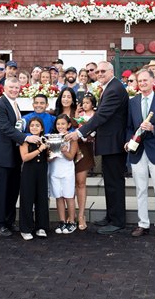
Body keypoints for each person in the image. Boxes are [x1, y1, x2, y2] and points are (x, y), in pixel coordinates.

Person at [65, 61, 129, 235]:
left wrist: (80, 133)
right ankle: (111, 216)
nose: (99, 73)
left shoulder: (114, 89)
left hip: (114, 144)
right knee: (109, 182)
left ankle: (117, 221)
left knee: (114, 183)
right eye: (97, 71)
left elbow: (101, 115)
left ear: (111, 71)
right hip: (109, 142)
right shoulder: (110, 87)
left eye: (102, 71)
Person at [125, 70, 155, 240]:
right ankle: (143, 224)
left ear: (153, 80)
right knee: (140, 189)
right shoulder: (132, 102)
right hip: (137, 152)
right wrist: (128, 141)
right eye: (140, 81)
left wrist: (154, 129)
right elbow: (129, 127)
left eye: (145, 80)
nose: (143, 83)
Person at [0, 77, 42, 237]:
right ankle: (0, 224)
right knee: (2, 191)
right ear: (4, 88)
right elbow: (5, 128)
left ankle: (9, 221)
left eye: (16, 87)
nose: (14, 90)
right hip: (2, 156)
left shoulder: (14, 104)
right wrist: (26, 138)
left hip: (13, 156)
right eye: (11, 87)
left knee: (12, 191)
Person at [19, 117, 50, 240]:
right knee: (27, 199)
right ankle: (25, 228)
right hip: (29, 172)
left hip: (42, 171)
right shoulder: (25, 141)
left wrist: (52, 151)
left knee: (42, 198)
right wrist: (39, 149)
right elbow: (25, 158)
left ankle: (41, 227)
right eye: (32, 125)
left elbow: (48, 157)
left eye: (37, 125)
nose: (34, 128)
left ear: (42, 128)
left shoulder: (45, 140)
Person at [50, 114, 78, 234]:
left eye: (63, 124)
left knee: (68, 196)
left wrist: (63, 151)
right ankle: (62, 221)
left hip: (67, 171)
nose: (60, 126)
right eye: (58, 124)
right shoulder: (53, 137)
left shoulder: (72, 138)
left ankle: (71, 221)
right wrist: (52, 153)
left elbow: (71, 157)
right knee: (58, 196)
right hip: (54, 170)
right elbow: (49, 157)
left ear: (69, 125)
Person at [74, 93, 97, 230]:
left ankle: (81, 215)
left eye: (87, 102)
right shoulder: (77, 113)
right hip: (69, 149)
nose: (84, 105)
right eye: (82, 103)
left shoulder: (94, 115)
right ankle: (70, 216)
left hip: (84, 150)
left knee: (81, 182)